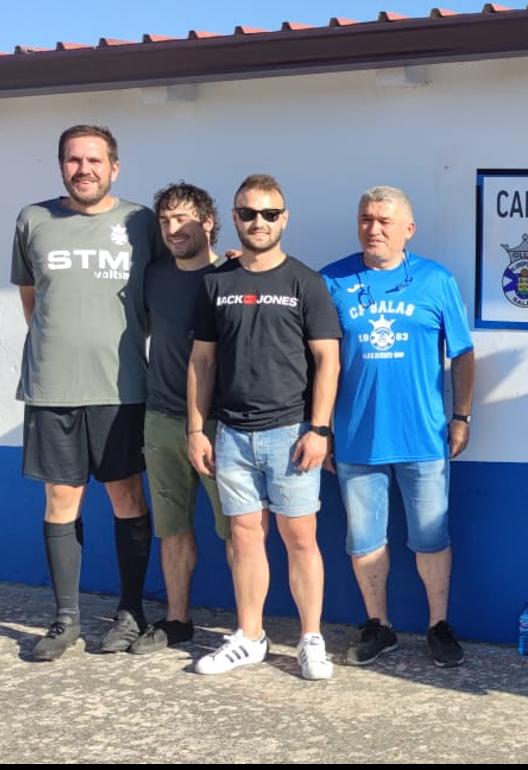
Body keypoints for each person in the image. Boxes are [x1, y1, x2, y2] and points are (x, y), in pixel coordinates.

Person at [186, 174, 342, 680]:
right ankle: (250, 637)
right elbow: (201, 362)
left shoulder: (306, 282)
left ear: (285, 218)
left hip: (291, 433)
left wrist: (318, 429)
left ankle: (310, 639)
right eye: (249, 213)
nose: (259, 222)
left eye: (269, 214)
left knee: (300, 536)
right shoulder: (216, 283)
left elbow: (327, 361)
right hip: (231, 433)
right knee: (245, 536)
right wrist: (195, 428)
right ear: (234, 218)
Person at [11, 125, 158, 660]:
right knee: (60, 500)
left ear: (114, 167)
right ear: (61, 166)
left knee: (127, 498)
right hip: (51, 388)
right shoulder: (33, 219)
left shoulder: (141, 222)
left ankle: (131, 611)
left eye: (95, 160)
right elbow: (33, 299)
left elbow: (168, 283)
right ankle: (65, 619)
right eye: (73, 160)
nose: (84, 169)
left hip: (120, 387)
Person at [321, 186, 475, 667]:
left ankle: (438, 625)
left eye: (386, 221)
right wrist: (320, 427)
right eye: (367, 219)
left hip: (423, 436)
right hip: (356, 438)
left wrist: (462, 415)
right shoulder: (332, 281)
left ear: (409, 229)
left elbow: (463, 353)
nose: (374, 228)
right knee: (364, 539)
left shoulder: (436, 280)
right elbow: (318, 361)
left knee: (431, 536)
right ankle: (379, 626)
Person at [129, 183, 230, 655]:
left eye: (183, 219)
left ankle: (249, 628)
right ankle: (177, 620)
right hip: (162, 417)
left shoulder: (233, 275)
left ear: (207, 222)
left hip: (223, 425)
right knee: (172, 526)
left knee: (239, 530)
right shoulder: (153, 277)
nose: (173, 229)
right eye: (165, 221)